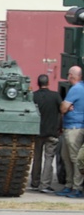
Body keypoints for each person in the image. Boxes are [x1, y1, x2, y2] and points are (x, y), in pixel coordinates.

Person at [31, 74, 62, 193]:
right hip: (51, 132)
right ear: (48, 83)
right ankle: (45, 185)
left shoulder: (33, 96)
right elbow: (62, 110)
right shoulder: (55, 96)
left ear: (37, 83)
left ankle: (34, 182)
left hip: (37, 132)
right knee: (49, 158)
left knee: (36, 158)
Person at [56, 66, 84, 198]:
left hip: (74, 128)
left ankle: (77, 187)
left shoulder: (76, 89)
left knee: (74, 158)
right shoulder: (80, 88)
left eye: (69, 74)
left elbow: (62, 108)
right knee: (66, 157)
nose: (68, 76)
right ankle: (69, 184)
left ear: (73, 75)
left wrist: (65, 107)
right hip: (71, 127)